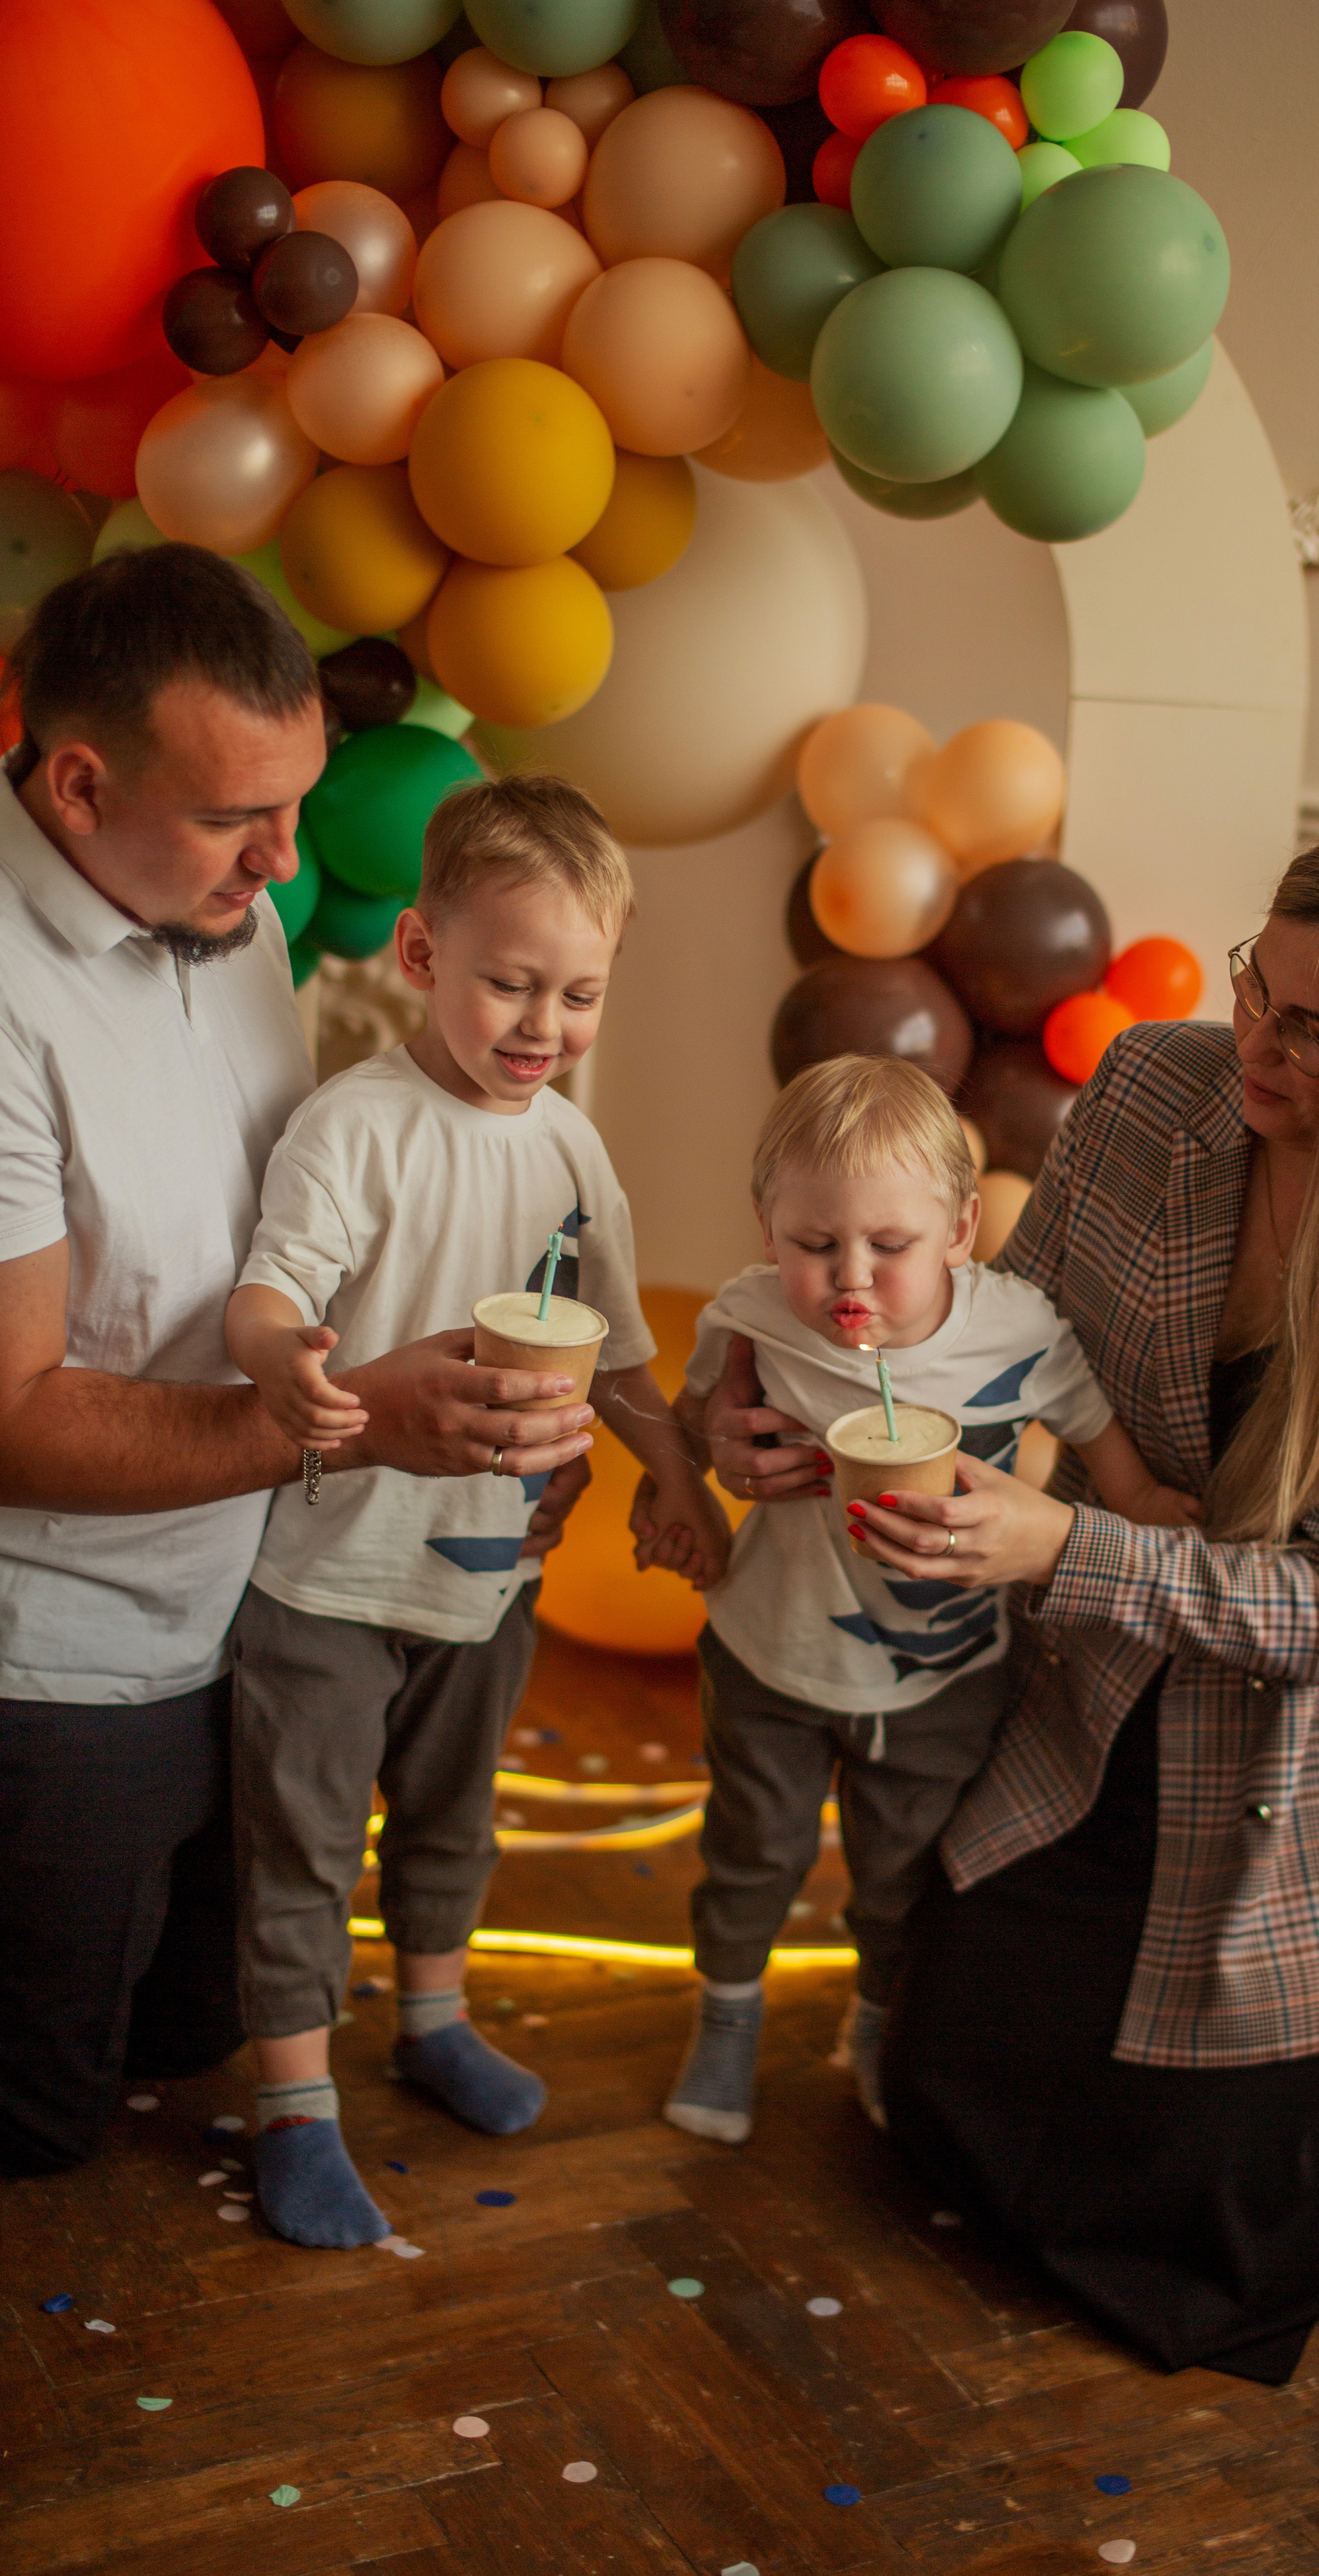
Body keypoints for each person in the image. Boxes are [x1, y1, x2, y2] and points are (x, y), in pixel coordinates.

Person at [698, 822, 1319, 2384]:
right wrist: (783, 1422)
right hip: (1096, 1697)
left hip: (1303, 1764)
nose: (1258, 1040)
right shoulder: (1150, 1088)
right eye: (1261, 985)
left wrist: (1062, 1549)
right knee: (947, 2093)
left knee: (1184, 2213)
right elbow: (983, 1338)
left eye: (1316, 1030)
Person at [0, 549, 595, 2182]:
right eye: (232, 820)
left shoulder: (226, 900)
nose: (284, 861)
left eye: (299, 804)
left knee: (198, 2033)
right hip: (65, 1652)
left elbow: (313, 1220)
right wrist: (360, 1425)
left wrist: (513, 1410)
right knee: (44, 2127)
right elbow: (16, 1419)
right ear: (77, 780)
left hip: (259, 1597)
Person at [223, 775, 731, 2248]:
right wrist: (276, 1358)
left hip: (491, 1572)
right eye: (510, 983)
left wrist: (682, 1480)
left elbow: (625, 1359)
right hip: (325, 1576)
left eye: (579, 995)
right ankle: (294, 2108)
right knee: (304, 1849)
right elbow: (273, 1285)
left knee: (450, 1819)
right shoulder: (354, 1124)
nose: (543, 1028)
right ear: (424, 957)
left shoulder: (571, 1151)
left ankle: (432, 2020)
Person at [636, 1055, 1192, 2145]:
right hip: (770, 1650)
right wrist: (702, 1467)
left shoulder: (1018, 1330)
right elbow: (697, 1424)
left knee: (901, 1874)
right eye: (814, 1244)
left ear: (959, 1228)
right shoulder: (751, 1314)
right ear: (766, 1227)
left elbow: (1097, 1442)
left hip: (940, 1674)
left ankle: (880, 2025)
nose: (851, 1277)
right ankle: (728, 2017)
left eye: (889, 1247)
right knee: (751, 1854)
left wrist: (1140, 1506)